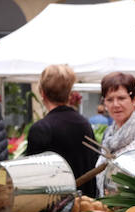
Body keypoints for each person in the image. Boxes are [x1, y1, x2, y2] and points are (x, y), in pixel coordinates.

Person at [26, 64, 98, 197]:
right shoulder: (84, 124)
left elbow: (31, 178)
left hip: (54, 210)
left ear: (42, 93)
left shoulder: (41, 129)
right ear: (69, 93)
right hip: (86, 206)